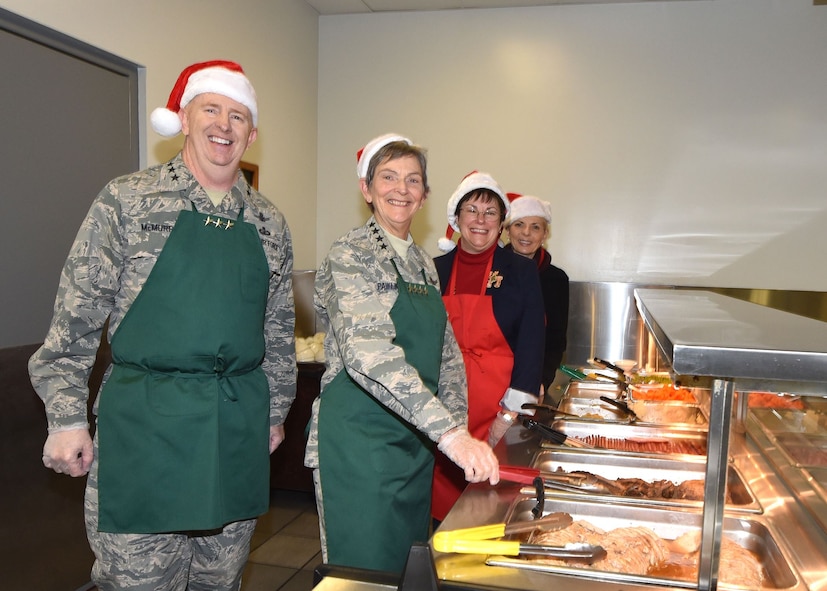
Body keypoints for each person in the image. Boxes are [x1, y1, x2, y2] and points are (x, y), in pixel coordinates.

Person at [28, 60, 297, 590]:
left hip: (233, 429)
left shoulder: (269, 221)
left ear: (253, 132)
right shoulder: (127, 200)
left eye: (238, 115)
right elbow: (74, 320)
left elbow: (277, 333)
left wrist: (276, 410)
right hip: (145, 429)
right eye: (211, 110)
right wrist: (65, 418)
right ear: (184, 118)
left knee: (220, 582)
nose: (225, 125)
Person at [306, 134, 499, 573]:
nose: (401, 189)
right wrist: (449, 434)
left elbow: (446, 358)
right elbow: (369, 354)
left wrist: (459, 432)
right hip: (359, 445)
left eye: (413, 180)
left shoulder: (421, 262)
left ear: (425, 196)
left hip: (414, 446)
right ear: (366, 189)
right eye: (388, 177)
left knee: (406, 570)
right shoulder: (349, 254)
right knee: (362, 574)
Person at [432, 171, 545, 521]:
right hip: (445, 410)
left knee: (491, 508)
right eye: (472, 210)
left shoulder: (521, 271)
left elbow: (533, 343)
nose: (480, 221)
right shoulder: (434, 269)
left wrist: (509, 414)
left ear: (501, 223)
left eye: (490, 212)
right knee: (443, 505)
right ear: (456, 218)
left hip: (499, 410)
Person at [505, 193, 570, 395]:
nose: (526, 233)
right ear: (507, 230)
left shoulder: (556, 279)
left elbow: (555, 341)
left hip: (534, 382)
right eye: (518, 225)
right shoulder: (493, 273)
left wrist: (542, 380)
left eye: (535, 227)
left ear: (545, 234)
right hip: (492, 377)